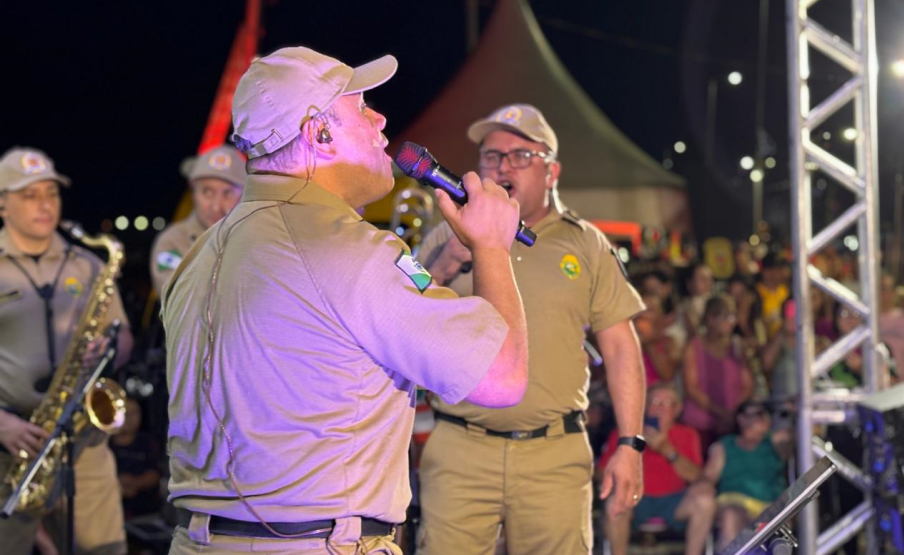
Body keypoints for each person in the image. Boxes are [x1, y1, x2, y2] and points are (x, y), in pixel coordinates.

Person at [162, 47, 529, 555]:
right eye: (359, 106)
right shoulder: (349, 246)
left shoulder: (201, 251)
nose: (380, 118)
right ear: (320, 134)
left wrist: (433, 272)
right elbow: (502, 377)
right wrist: (491, 247)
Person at [415, 104, 646, 555]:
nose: (502, 166)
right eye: (491, 156)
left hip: (554, 456)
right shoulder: (446, 233)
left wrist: (631, 444)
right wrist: (440, 267)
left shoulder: (586, 243)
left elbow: (621, 349)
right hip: (459, 448)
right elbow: (398, 307)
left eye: (521, 155)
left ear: (552, 171)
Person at [0, 146, 134, 555]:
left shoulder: (88, 264)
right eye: (30, 195)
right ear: (2, 203)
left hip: (83, 442)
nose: (45, 204)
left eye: (52, 193)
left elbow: (124, 336)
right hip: (12, 447)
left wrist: (109, 350)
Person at [600, 383, 715, 555]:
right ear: (645, 406)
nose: (660, 408)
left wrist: (667, 450)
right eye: (654, 401)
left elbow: (696, 476)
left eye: (667, 403)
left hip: (674, 501)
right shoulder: (625, 433)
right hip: (635, 498)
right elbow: (601, 472)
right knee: (613, 502)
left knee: (705, 499)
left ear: (677, 410)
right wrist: (633, 448)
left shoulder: (687, 434)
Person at [149, 144, 246, 297]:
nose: (216, 206)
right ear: (193, 192)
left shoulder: (256, 239)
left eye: (228, 193)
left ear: (244, 195)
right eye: (207, 192)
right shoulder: (173, 241)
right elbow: (176, 299)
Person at [703, 400, 791, 551]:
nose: (753, 419)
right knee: (730, 516)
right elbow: (709, 477)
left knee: (781, 522)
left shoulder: (774, 441)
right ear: (740, 419)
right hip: (734, 501)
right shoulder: (725, 445)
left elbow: (793, 441)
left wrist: (792, 413)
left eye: (759, 414)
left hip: (769, 504)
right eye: (748, 415)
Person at [680, 294, 755, 452]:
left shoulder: (737, 346)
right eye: (725, 316)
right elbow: (691, 388)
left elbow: (748, 385)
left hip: (732, 423)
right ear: (710, 318)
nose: (731, 321)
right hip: (700, 422)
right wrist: (720, 413)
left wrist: (731, 413)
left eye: (732, 316)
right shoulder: (693, 347)